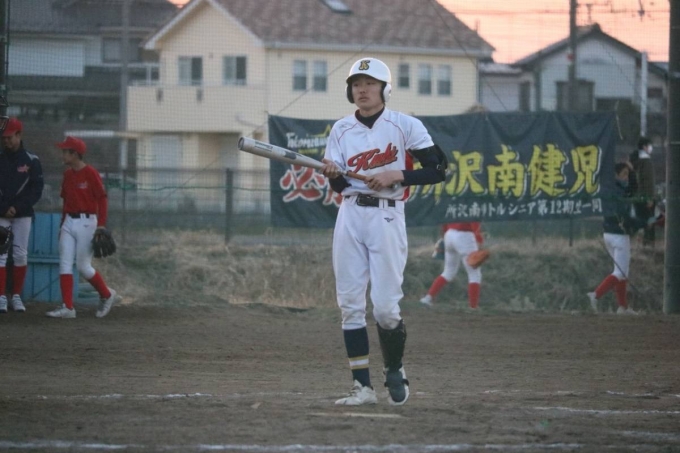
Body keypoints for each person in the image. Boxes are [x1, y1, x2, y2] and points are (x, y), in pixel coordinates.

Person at [319, 57, 447, 406]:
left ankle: (394, 367)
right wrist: (333, 174)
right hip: (350, 215)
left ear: (385, 89)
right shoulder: (341, 129)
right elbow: (340, 186)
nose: (362, 90)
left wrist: (397, 174)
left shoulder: (404, 125)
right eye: (356, 84)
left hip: (387, 216)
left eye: (370, 83)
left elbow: (438, 169)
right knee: (350, 305)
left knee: (386, 309)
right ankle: (362, 388)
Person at [46, 136, 119, 319]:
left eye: (65, 151)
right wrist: (62, 224)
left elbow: (102, 199)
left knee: (83, 266)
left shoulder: (90, 173)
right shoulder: (67, 174)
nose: (62, 154)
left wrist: (101, 225)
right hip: (69, 221)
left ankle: (106, 294)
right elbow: (66, 202)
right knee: (64, 263)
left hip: (87, 222)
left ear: (75, 154)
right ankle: (68, 307)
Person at [587, 162, 650, 315]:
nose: (626, 177)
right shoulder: (619, 192)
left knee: (622, 272)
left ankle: (622, 307)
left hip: (608, 233)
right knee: (620, 273)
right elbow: (625, 215)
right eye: (624, 174)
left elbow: (632, 188)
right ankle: (595, 295)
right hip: (619, 235)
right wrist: (643, 223)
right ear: (617, 175)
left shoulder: (612, 188)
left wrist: (632, 172)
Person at [0, 117, 45, 313]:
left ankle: (16, 295)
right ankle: (1, 296)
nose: (6, 141)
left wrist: (17, 208)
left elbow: (36, 190)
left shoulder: (32, 160)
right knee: (0, 255)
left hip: (23, 214)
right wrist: (4, 208)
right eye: (4, 138)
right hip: (1, 214)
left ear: (19, 135)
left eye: (9, 137)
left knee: (20, 254)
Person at [420, 222, 483, 309]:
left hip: (449, 234)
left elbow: (445, 219)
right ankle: (473, 307)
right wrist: (479, 239)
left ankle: (427, 299)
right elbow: (474, 220)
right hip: (465, 235)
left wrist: (445, 233)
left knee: (448, 272)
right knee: (474, 274)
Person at [629, 137, 656, 247]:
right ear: (644, 147)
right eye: (649, 145)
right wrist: (650, 198)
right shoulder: (646, 161)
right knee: (650, 221)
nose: (651, 148)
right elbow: (648, 181)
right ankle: (648, 244)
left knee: (640, 220)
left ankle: (636, 243)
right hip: (646, 197)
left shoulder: (635, 161)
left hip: (637, 196)